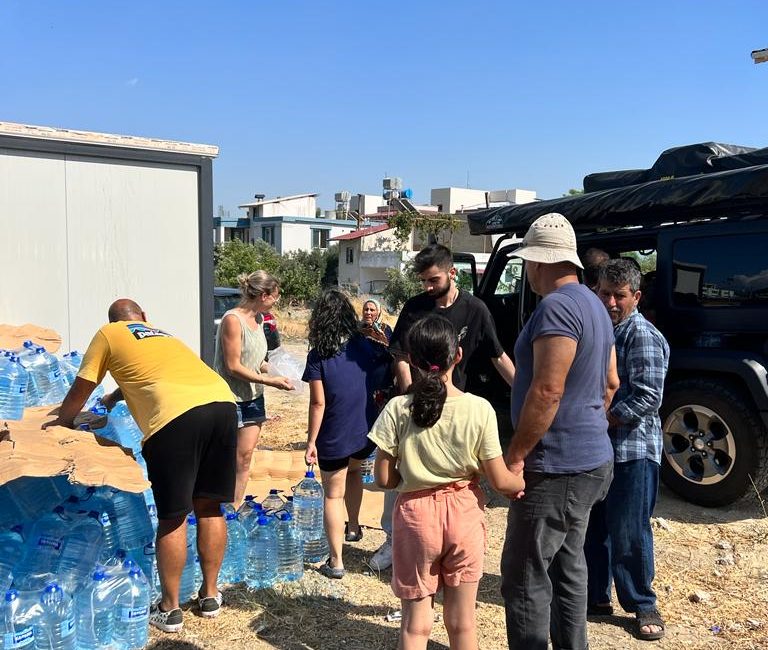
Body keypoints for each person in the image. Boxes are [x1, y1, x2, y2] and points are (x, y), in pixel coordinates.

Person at [45, 299, 237, 633]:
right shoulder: (162, 334)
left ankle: (170, 608)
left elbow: (83, 384)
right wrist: (115, 398)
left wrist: (63, 421)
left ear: (112, 321)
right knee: (208, 505)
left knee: (173, 515)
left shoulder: (109, 333)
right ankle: (209, 595)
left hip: (175, 418)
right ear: (144, 317)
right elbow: (152, 372)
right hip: (222, 405)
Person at [499, 213, 620, 650]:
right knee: (568, 566)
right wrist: (587, 423)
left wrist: (515, 455)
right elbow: (610, 384)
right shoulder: (594, 304)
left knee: (525, 575)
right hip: (591, 459)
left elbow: (547, 390)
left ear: (537, 262)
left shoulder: (556, 307)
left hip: (557, 467)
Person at [368, 314, 524, 650]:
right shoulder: (479, 409)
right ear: (457, 355)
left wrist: (404, 475)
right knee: (462, 623)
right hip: (464, 512)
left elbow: (383, 477)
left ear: (411, 360)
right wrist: (518, 479)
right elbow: (499, 480)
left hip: (415, 516)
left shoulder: (398, 408)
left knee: (415, 626)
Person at [369, 243, 516, 572]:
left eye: (433, 280)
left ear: (453, 273)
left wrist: (524, 393)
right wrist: (409, 395)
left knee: (448, 475)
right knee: (403, 475)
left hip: (453, 403)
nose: (428, 288)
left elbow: (497, 355)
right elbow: (401, 356)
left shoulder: (475, 310)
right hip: (416, 406)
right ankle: (394, 540)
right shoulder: (416, 307)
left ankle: (448, 542)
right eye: (423, 281)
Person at [584, 258, 669, 641]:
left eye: (619, 296)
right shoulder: (601, 330)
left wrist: (600, 418)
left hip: (633, 451)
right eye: (605, 293)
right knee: (595, 525)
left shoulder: (642, 335)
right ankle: (596, 596)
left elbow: (647, 397)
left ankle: (641, 602)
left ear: (636, 296)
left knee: (630, 529)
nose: (611, 302)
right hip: (600, 449)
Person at [301, 289, 381, 578]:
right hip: (364, 430)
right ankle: (355, 526)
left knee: (332, 495)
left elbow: (318, 402)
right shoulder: (363, 345)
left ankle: (336, 562)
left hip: (334, 433)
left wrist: (311, 441)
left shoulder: (317, 355)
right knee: (356, 474)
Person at [213, 271, 294, 507]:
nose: (276, 302)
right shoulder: (232, 320)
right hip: (230, 398)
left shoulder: (260, 320)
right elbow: (233, 366)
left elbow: (257, 361)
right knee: (227, 458)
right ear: (263, 294)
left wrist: (280, 372)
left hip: (253, 398)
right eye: (274, 297)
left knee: (245, 457)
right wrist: (270, 382)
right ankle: (218, 506)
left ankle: (234, 509)